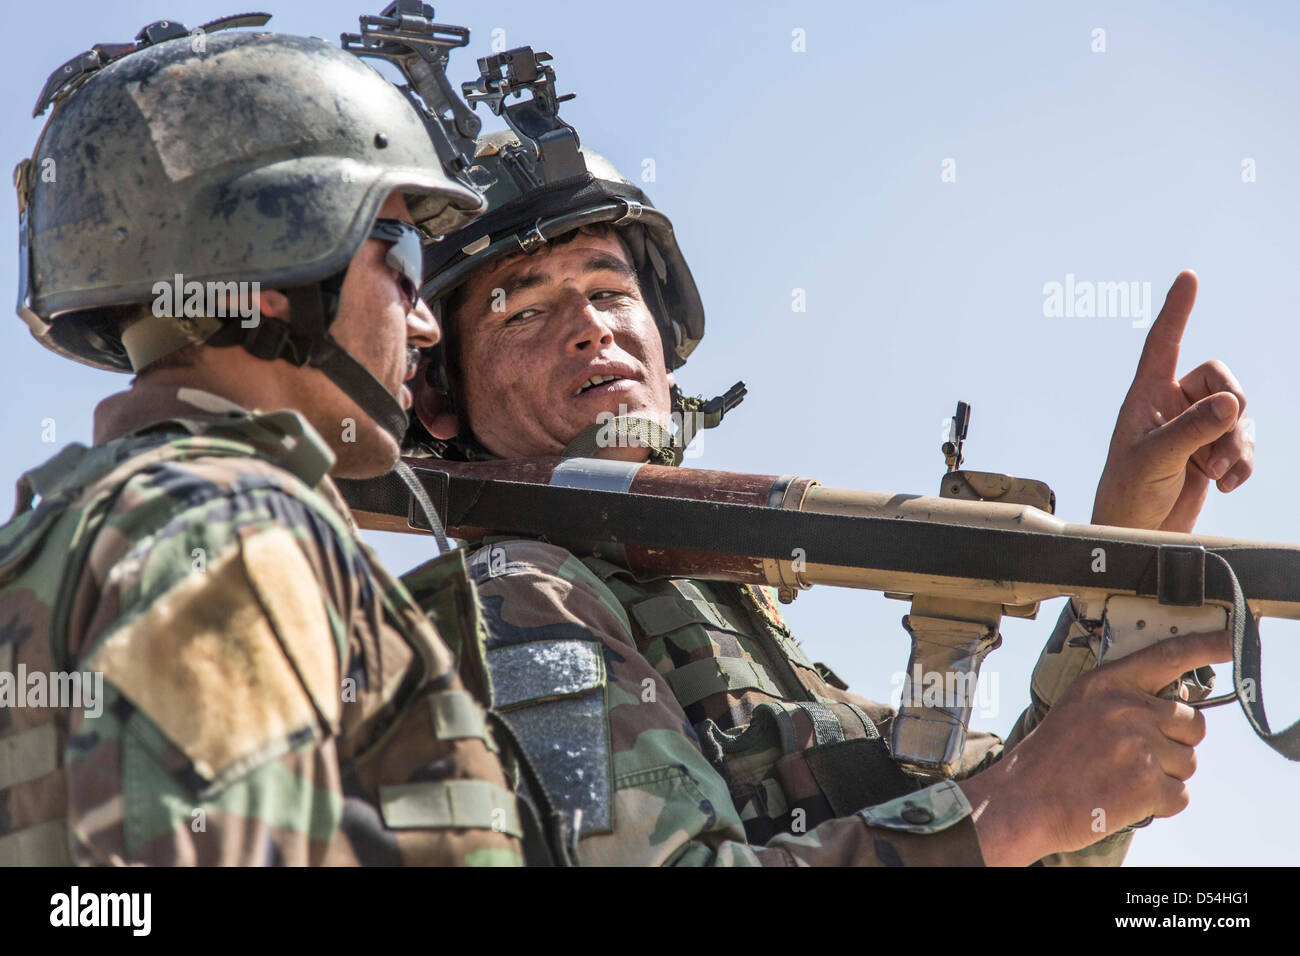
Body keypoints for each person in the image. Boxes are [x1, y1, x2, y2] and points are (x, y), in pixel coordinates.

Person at [403, 52, 1251, 865]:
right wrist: (1017, 810)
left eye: (611, 288)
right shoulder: (518, 597)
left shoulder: (713, 606)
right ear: (442, 393)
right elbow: (1009, 819)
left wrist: (1122, 558)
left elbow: (1028, 831)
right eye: (522, 312)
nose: (591, 325)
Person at [0, 18, 531, 866]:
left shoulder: (50, 544)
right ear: (281, 273)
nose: (424, 320)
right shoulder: (232, 529)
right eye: (402, 254)